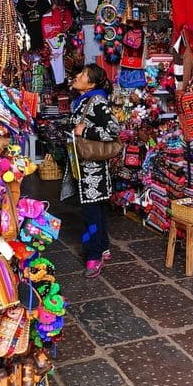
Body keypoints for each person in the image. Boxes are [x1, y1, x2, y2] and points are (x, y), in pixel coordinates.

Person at [68, 63, 120, 278]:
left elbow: (113, 130)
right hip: (83, 168)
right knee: (95, 210)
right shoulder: (82, 101)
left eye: (82, 75)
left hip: (93, 171)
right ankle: (103, 247)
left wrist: (85, 130)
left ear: (90, 83)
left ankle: (93, 256)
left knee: (90, 212)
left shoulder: (97, 101)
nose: (77, 76)